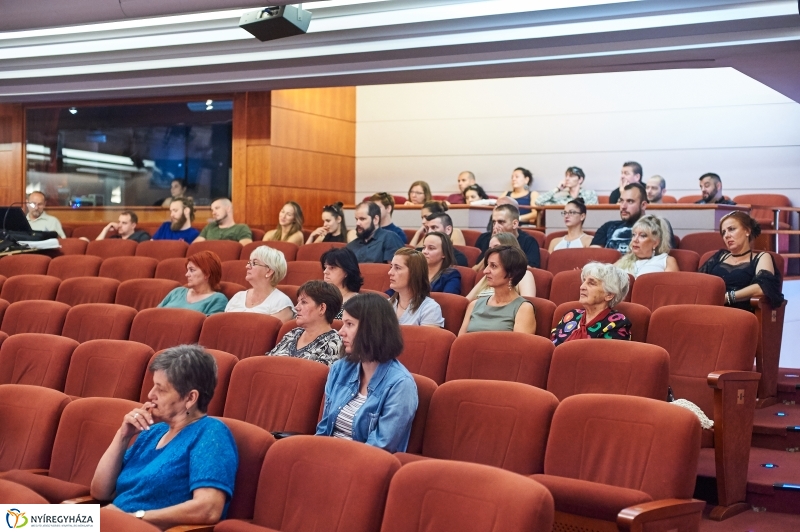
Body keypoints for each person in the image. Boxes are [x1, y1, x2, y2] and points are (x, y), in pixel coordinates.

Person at [91, 345, 238, 529]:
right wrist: (122, 436)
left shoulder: (210, 433)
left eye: (160, 389)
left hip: (136, 526)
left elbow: (208, 508)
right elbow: (100, 492)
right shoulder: (153, 431)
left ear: (190, 398)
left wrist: (134, 518)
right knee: (46, 518)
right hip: (109, 521)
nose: (150, 395)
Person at [315, 293, 418, 453]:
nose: (341, 332)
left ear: (371, 329)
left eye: (349, 324)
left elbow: (380, 447)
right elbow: (324, 429)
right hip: (328, 456)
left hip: (362, 466)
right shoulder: (339, 369)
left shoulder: (400, 384)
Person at [699, 211, 783, 311]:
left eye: (731, 229)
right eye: (723, 232)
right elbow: (699, 283)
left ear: (747, 231)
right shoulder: (719, 257)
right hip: (711, 309)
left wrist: (728, 297)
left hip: (741, 313)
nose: (726, 235)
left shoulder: (762, 257)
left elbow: (762, 287)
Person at [459, 245, 536, 335]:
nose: (485, 271)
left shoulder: (524, 308)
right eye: (487, 265)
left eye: (493, 266)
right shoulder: (474, 305)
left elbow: (519, 347)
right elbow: (460, 343)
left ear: (511, 273)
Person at [551, 262, 632, 346]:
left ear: (609, 295)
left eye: (591, 283)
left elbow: (603, 357)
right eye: (584, 281)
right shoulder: (570, 316)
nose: (582, 287)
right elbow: (552, 346)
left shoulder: (618, 323)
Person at [267, 280, 343, 366]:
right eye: (298, 302)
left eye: (304, 302)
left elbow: (321, 378)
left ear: (322, 308)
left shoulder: (334, 343)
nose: (296, 307)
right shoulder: (292, 333)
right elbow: (267, 363)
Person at [224, 245, 295, 322]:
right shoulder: (238, 296)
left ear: (269, 271)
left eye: (254, 263)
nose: (247, 266)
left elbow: (268, 333)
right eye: (249, 262)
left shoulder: (281, 303)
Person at [466, 232, 536, 301]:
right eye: (490, 248)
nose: (492, 252)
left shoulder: (525, 275)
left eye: (496, 247)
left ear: (510, 249)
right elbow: (466, 301)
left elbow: (526, 305)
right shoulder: (488, 274)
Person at [158, 250, 228, 315]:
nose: (186, 274)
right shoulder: (177, 292)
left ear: (207, 274)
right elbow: (154, 315)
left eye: (192, 270)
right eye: (187, 270)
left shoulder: (217, 299)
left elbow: (208, 327)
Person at [388, 248, 445, 327]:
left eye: (397, 268)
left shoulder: (430, 309)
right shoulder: (385, 305)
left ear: (414, 273)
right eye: (391, 267)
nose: (390, 272)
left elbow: (427, 339)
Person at [474, 204, 541, 269]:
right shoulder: (489, 240)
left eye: (501, 222)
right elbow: (477, 270)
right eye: (494, 222)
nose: (495, 227)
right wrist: (493, 246)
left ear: (514, 224)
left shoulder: (528, 242)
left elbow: (531, 270)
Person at [615, 215, 679, 278]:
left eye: (642, 236)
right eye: (634, 235)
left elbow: (670, 287)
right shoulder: (625, 259)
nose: (635, 240)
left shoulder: (665, 260)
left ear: (655, 243)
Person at [590, 183, 646, 254]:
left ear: (643, 205)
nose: (623, 206)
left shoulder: (654, 228)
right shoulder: (608, 227)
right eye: (621, 201)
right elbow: (592, 256)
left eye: (630, 201)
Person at [321, 247, 364, 320]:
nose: (325, 272)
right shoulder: (318, 296)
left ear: (346, 272)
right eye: (325, 267)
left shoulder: (356, 302)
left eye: (332, 268)